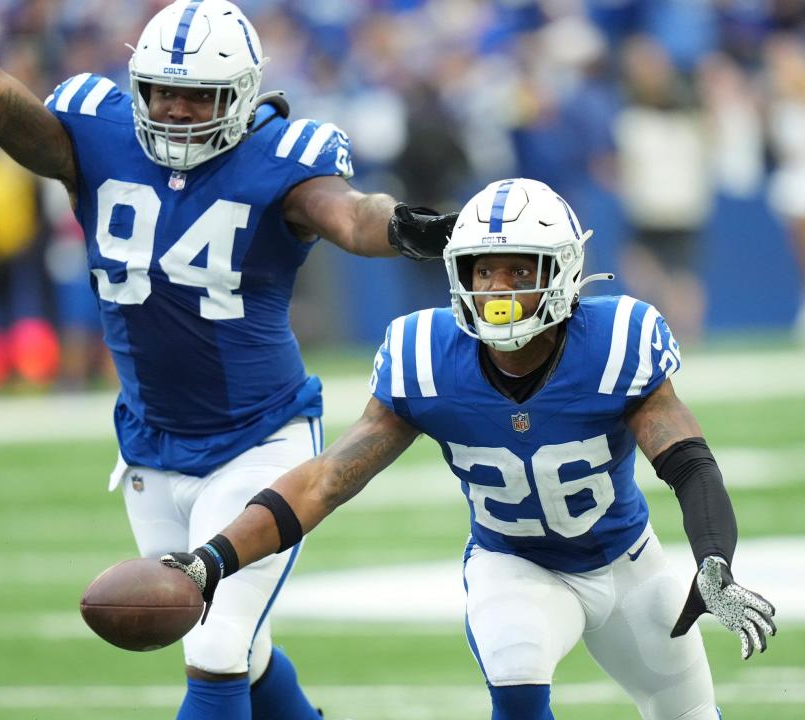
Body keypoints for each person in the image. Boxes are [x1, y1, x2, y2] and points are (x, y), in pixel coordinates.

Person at [0, 1, 455, 719]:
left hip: (261, 441)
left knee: (217, 651)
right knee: (239, 650)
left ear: (242, 95)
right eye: (161, 90)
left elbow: (351, 215)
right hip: (150, 446)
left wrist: (410, 228)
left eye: (197, 94)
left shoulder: (282, 159)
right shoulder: (96, 134)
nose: (174, 108)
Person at [164, 178, 777, 720]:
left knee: (689, 711)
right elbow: (325, 481)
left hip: (627, 562)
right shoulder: (427, 359)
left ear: (561, 274)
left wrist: (714, 562)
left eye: (518, 270)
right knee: (515, 674)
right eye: (483, 270)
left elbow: (689, 464)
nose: (496, 289)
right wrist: (211, 560)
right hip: (515, 563)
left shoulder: (615, 342)